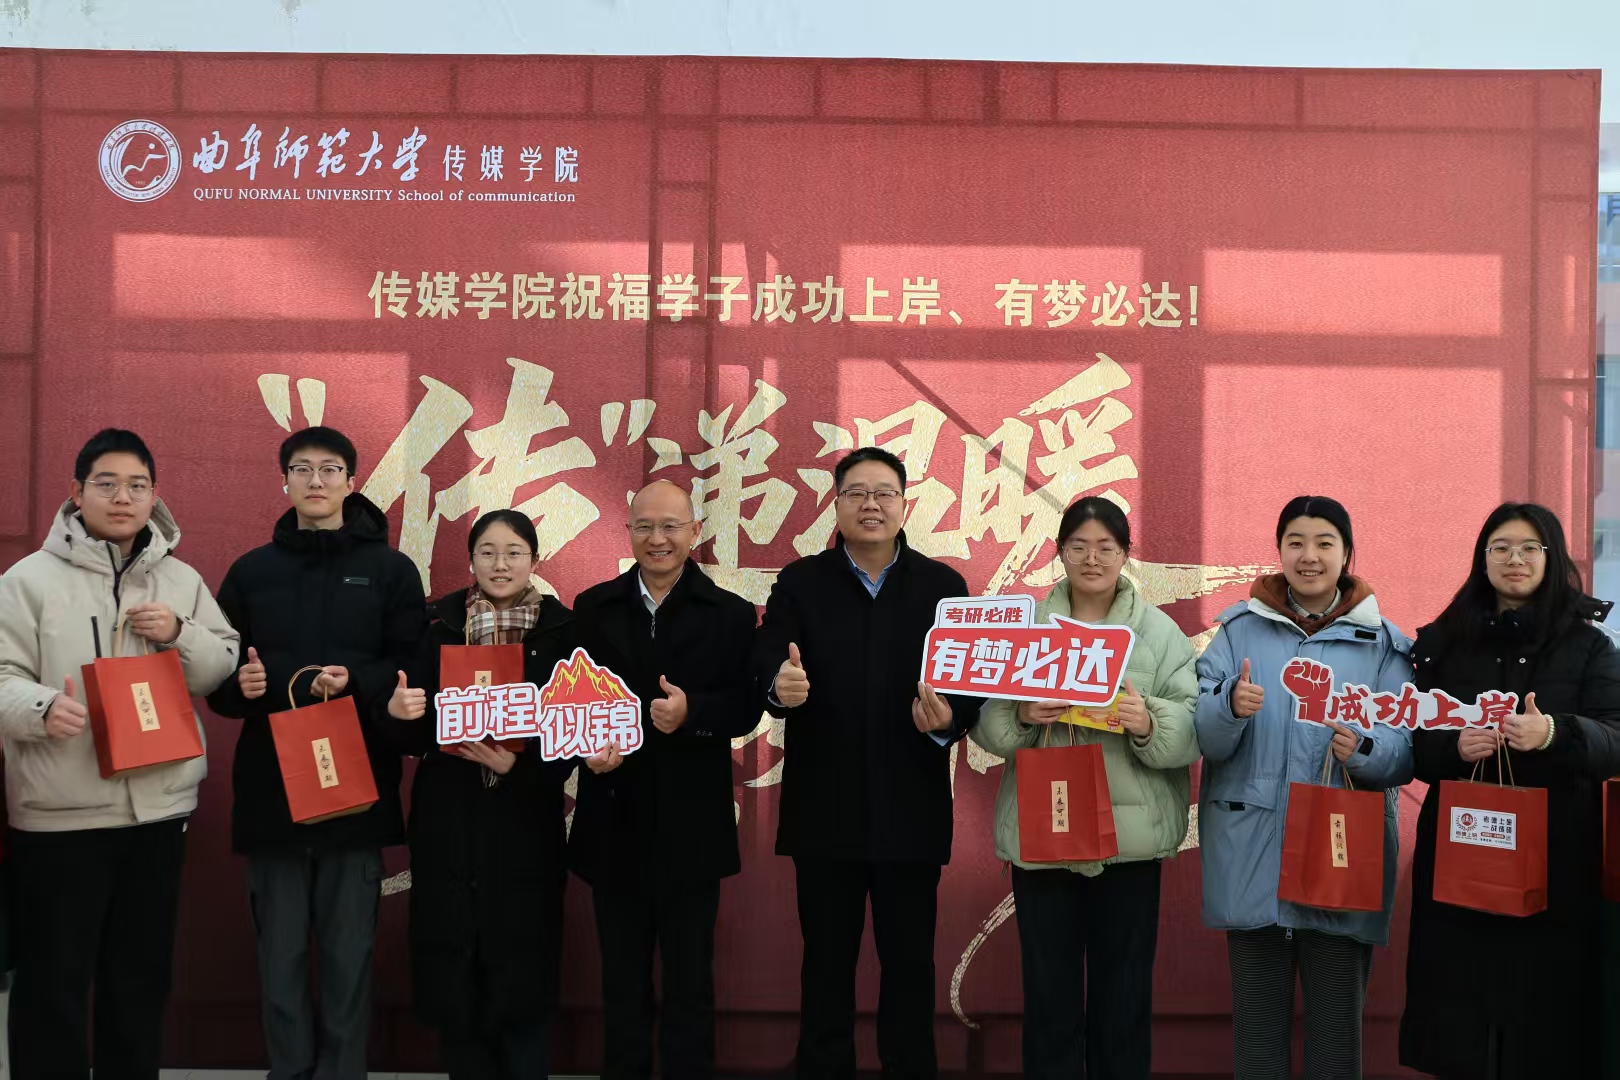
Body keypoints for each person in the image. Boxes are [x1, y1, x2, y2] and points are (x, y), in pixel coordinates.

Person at [0, 429, 238, 1078]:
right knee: (52, 984)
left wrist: (180, 632)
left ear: (154, 496)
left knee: (138, 982)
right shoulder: (27, 581)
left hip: (155, 815)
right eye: (106, 484)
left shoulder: (181, 580)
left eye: (137, 485)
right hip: (59, 816)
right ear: (76, 493)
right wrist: (40, 708)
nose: (123, 497)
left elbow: (220, 666)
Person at [206, 426, 426, 1080]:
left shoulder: (390, 571)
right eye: (302, 469)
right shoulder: (251, 572)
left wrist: (357, 679)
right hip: (272, 792)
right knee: (279, 961)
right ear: (285, 482)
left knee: (348, 959)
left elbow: (412, 665)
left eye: (330, 469)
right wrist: (240, 687)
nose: (316, 481)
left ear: (352, 482)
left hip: (355, 791)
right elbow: (218, 677)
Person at [755, 446, 982, 1080]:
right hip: (824, 810)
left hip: (910, 809)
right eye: (856, 493)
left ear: (905, 505)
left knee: (909, 966)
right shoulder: (801, 583)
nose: (871, 504)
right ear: (836, 504)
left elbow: (972, 686)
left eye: (884, 493)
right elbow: (766, 653)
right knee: (826, 965)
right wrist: (778, 684)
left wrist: (950, 719)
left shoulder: (943, 588)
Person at [969, 496, 1199, 1080]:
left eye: (1105, 548)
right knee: (1049, 997)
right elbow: (987, 726)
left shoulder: (1159, 634)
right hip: (1044, 837)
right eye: (1078, 547)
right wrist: (1022, 714)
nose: (1092, 559)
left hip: (1129, 842)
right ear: (1059, 552)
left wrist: (1147, 721)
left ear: (1126, 555)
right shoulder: (1026, 630)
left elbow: (1193, 729)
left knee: (1124, 998)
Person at [1195, 495, 1413, 1080]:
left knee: (1336, 1046)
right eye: (1295, 542)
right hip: (1254, 859)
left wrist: (1365, 749)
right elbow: (1205, 737)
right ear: (1279, 550)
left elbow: (1405, 749)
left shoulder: (1383, 645)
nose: (1309, 556)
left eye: (1324, 543)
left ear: (1346, 554)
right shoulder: (1236, 633)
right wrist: (1228, 707)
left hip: (1342, 859)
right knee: (1258, 1044)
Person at [1399, 503, 1620, 1080]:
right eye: (1500, 548)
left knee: (1543, 1017)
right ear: (1482, 559)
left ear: (1552, 558)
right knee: (1460, 1011)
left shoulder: (1590, 645)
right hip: (1463, 849)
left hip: (1557, 856)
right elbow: (1412, 746)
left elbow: (1616, 738)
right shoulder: (1443, 643)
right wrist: (1454, 747)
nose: (1514, 559)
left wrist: (1554, 733)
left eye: (1528, 548)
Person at [569, 480, 760, 1080]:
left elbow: (747, 706)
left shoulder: (730, 614)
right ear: (628, 532)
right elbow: (569, 701)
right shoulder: (592, 607)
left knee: (690, 982)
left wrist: (692, 712)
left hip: (691, 827)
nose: (658, 538)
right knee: (621, 984)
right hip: (612, 819)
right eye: (645, 526)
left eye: (671, 526)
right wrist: (585, 750)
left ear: (695, 532)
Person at [385, 509, 577, 1080]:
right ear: (470, 559)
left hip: (526, 822)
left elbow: (577, 731)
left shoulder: (563, 632)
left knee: (524, 968)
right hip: (451, 819)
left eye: (514, 552)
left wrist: (521, 766)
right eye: (488, 552)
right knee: (456, 972)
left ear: (534, 560)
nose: (500, 564)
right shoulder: (437, 625)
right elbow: (411, 732)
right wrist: (400, 714)